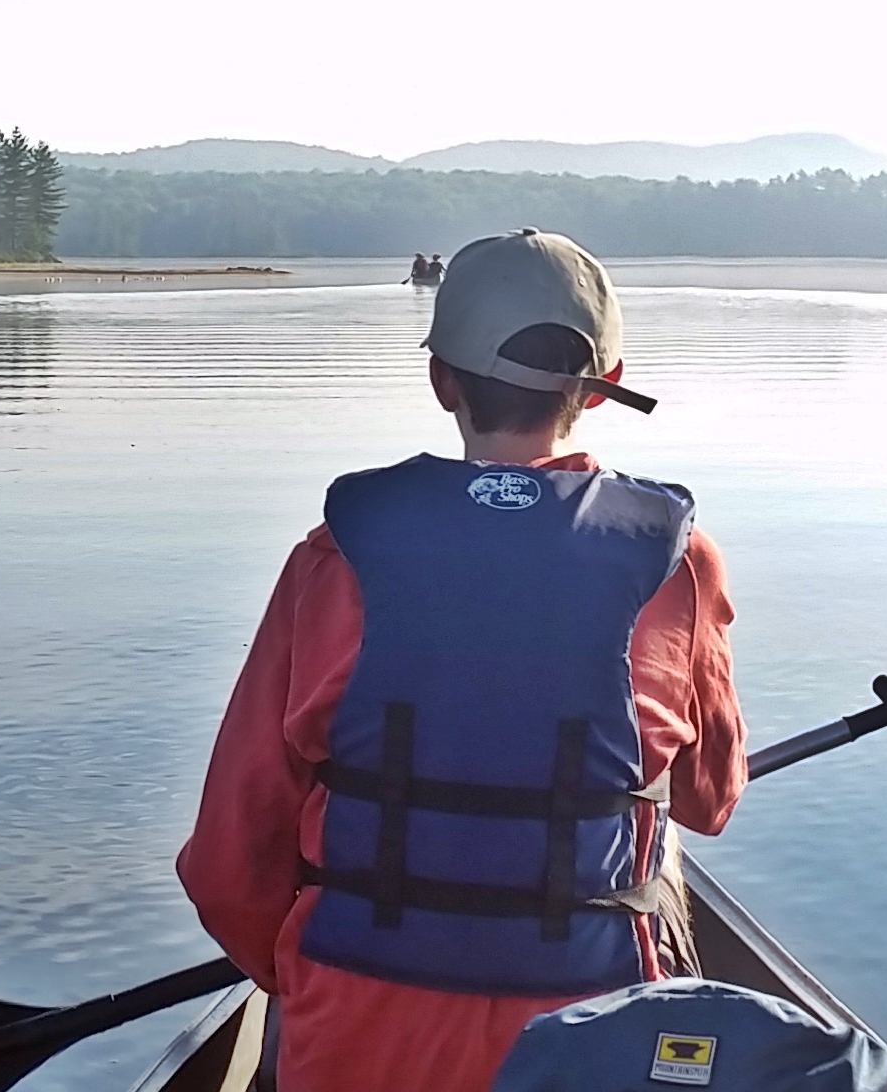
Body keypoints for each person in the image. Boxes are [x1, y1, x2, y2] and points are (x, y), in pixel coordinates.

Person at [177, 230, 744, 1092]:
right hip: (582, 1035)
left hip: (351, 1024)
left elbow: (227, 863)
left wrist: (298, 977)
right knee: (657, 861)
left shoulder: (332, 558)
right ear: (604, 391)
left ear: (442, 379)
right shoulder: (679, 564)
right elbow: (710, 801)